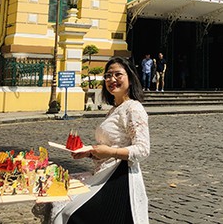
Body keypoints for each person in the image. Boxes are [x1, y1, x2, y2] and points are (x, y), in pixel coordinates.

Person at [53, 57, 150, 223]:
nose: (112, 79)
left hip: (120, 178)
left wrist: (109, 152)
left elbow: (142, 150)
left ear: (130, 78)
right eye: (108, 75)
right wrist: (90, 154)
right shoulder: (114, 109)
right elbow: (110, 146)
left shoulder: (133, 108)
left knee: (71, 214)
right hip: (103, 173)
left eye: (118, 75)